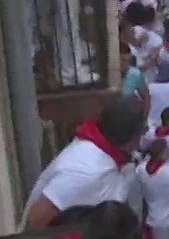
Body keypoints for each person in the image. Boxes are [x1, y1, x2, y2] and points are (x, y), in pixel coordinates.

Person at [21, 98, 145, 229]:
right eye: (142, 132)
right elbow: (36, 220)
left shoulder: (114, 154)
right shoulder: (85, 172)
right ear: (132, 139)